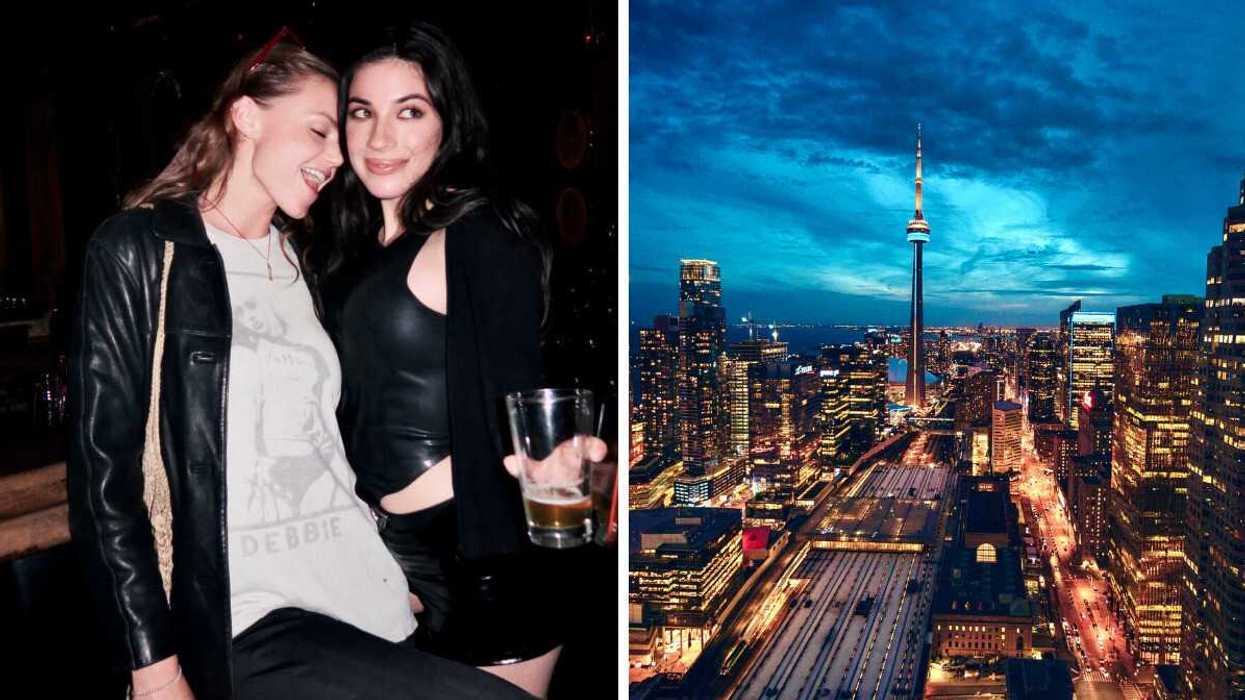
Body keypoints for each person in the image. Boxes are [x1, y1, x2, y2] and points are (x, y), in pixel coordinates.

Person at [68, 29, 533, 700]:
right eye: (319, 131)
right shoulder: (141, 248)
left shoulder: (303, 261)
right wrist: (153, 665)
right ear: (247, 115)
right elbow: (102, 476)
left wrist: (385, 565)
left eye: (335, 144)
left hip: (369, 597)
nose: (334, 159)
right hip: (249, 614)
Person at [319, 22, 602, 697]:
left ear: (448, 124)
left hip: (487, 565)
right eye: (362, 113)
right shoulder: (345, 251)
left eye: (408, 111)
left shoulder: (480, 232)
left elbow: (528, 392)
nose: (380, 138)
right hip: (391, 555)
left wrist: (568, 461)